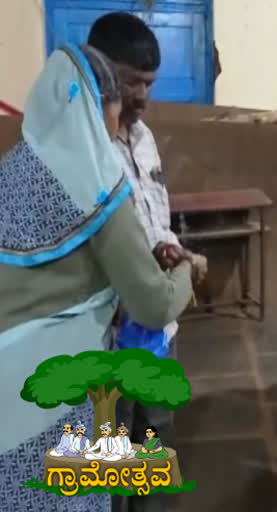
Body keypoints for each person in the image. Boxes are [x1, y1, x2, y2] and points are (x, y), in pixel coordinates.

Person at [0, 44, 193, 512]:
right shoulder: (98, 192)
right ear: (97, 110)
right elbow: (153, 304)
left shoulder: (9, 173)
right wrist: (188, 271)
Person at [87, 10, 205, 462]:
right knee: (110, 452)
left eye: (148, 84)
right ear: (97, 71)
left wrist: (165, 245)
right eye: (129, 82)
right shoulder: (83, 147)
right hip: (108, 332)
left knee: (155, 438)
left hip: (156, 325)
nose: (140, 96)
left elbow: (153, 212)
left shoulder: (144, 138)